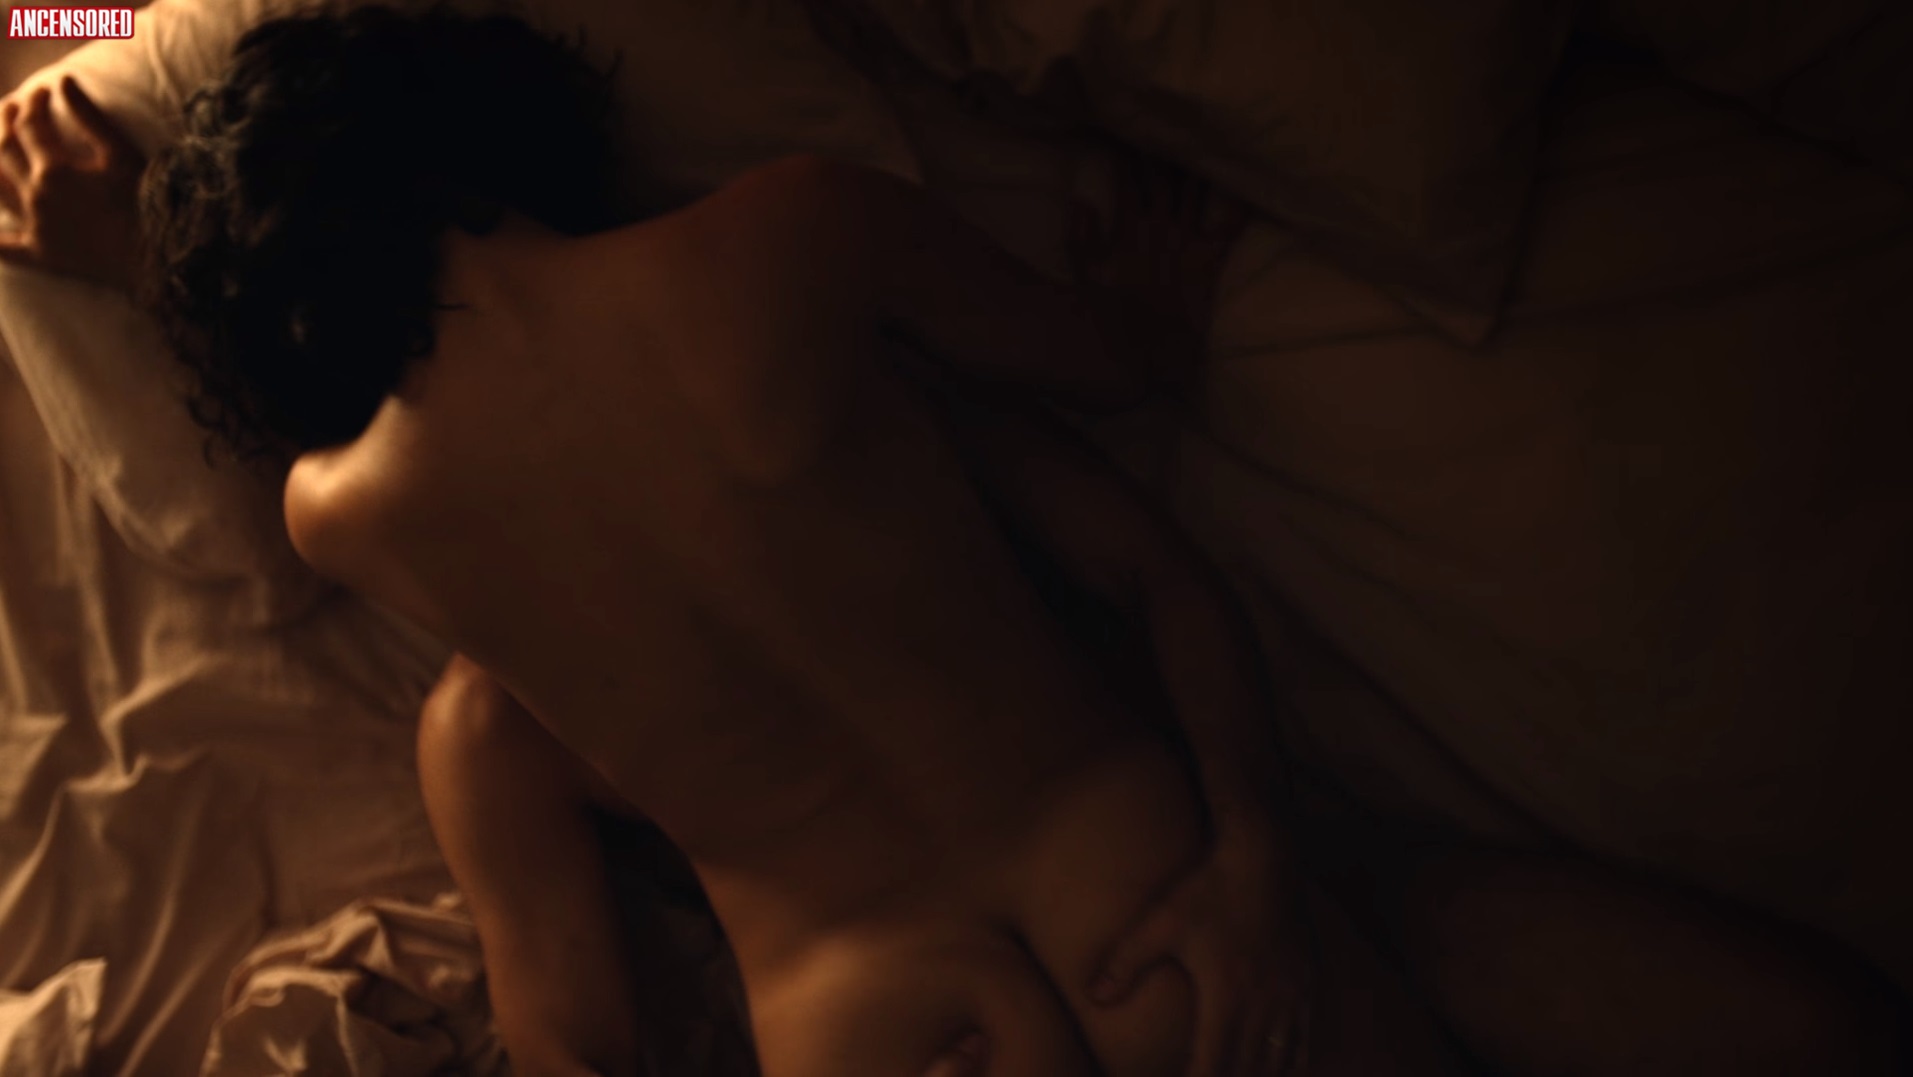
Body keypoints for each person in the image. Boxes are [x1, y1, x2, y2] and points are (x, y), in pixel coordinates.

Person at [3, 9, 1906, 1076]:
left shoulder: (338, 519)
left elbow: (39, 23)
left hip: (865, 1037)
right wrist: (1254, 857)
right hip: (1147, 916)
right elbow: (1113, 412)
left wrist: (138, 240)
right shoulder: (786, 233)